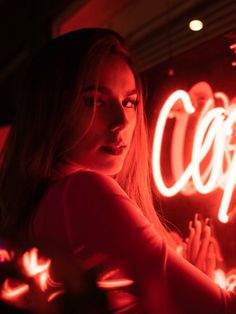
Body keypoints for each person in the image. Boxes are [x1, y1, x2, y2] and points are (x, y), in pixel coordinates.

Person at [0, 28, 235, 313]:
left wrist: (187, 288)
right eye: (95, 101)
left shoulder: (46, 199)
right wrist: (198, 291)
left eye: (129, 102)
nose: (121, 122)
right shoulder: (84, 193)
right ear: (53, 110)